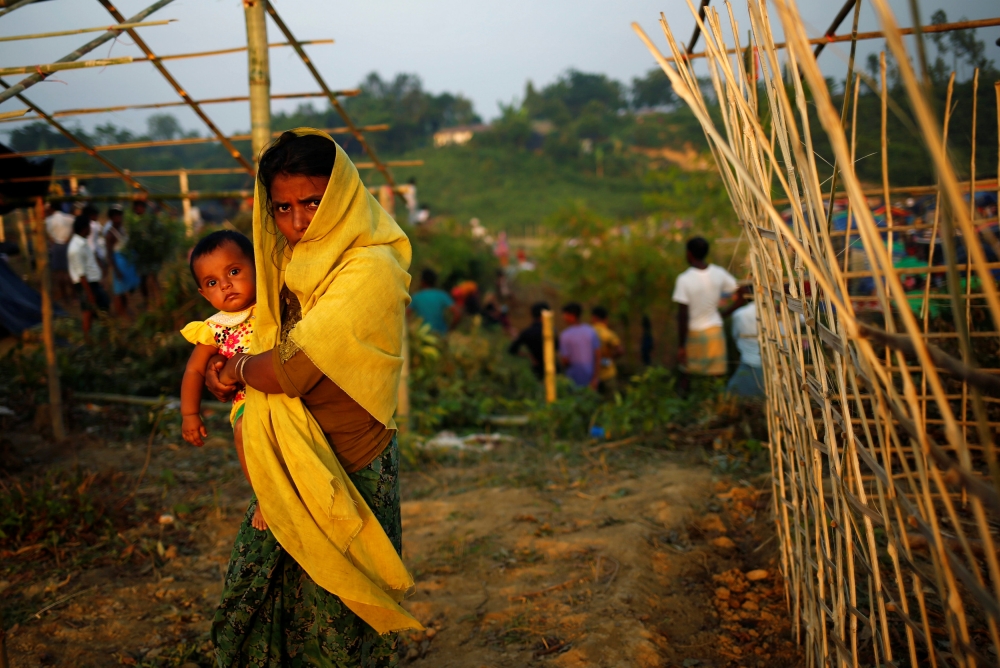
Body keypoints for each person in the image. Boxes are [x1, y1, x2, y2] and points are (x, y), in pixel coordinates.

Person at [201, 129, 421, 664]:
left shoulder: (370, 267)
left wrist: (240, 368)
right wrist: (226, 368)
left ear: (342, 196)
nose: (299, 222)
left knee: (338, 620)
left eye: (313, 203)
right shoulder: (280, 262)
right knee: (256, 602)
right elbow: (257, 341)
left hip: (349, 464)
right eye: (283, 208)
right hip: (288, 458)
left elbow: (292, 371)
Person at [179, 230, 264, 531]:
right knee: (243, 430)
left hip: (286, 392)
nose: (225, 285)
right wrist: (190, 414)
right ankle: (263, 497)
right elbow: (193, 371)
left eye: (234, 271)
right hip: (247, 402)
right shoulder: (215, 329)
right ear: (203, 293)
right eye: (212, 283)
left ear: (257, 266)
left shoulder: (273, 306)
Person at [673, 237, 744, 390]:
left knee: (687, 376)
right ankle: (716, 408)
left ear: (689, 254)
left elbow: (683, 316)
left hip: (694, 332)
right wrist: (724, 314)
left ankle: (687, 408)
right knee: (716, 378)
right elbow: (742, 293)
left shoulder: (684, 279)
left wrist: (681, 346)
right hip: (715, 332)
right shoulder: (719, 273)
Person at [67, 214, 109, 337]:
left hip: (92, 283)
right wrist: (89, 293)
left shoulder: (83, 243)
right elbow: (81, 274)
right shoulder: (75, 248)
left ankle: (100, 336)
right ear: (84, 228)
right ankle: (88, 338)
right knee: (88, 312)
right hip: (86, 284)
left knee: (100, 308)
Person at [103, 204, 140, 316]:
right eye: (115, 216)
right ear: (111, 218)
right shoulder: (110, 234)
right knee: (118, 291)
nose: (118, 218)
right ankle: (120, 313)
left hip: (126, 263)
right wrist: (116, 270)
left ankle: (125, 309)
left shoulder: (123, 229)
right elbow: (109, 254)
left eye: (119, 215)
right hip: (118, 263)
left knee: (124, 290)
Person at [726, 297, 765, 397]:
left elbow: (735, 336)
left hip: (748, 362)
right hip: (774, 365)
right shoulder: (779, 314)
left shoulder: (739, 314)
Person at [559, 302, 601, 390]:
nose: (563, 318)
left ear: (571, 315)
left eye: (565, 314)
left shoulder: (565, 335)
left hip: (573, 379)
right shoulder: (590, 331)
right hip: (590, 378)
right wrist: (595, 378)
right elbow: (598, 355)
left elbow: (565, 360)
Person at [509, 301, 548, 378]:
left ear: (532, 314)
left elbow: (512, 350)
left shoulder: (526, 333)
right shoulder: (551, 331)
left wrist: (529, 356)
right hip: (553, 369)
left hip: (537, 370)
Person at [409, 268, 454, 334]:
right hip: (441, 334)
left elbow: (405, 314)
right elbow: (457, 313)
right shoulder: (442, 295)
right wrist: (451, 329)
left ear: (422, 282)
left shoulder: (416, 297)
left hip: (421, 334)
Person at [45, 202, 75, 303]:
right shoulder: (69, 218)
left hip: (56, 246)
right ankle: (74, 295)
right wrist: (69, 238)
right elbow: (74, 228)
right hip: (67, 243)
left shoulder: (48, 221)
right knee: (69, 272)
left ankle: (65, 296)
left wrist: (53, 241)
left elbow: (48, 235)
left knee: (59, 274)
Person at [590, 306, 623, 393]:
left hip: (591, 374)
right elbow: (620, 350)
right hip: (608, 372)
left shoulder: (589, 332)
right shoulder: (608, 333)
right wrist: (609, 359)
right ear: (606, 319)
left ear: (594, 318)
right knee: (611, 400)